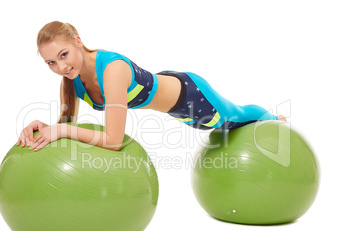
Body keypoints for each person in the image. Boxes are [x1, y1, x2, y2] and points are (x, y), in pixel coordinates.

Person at [17, 21, 286, 152]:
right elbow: (65, 127)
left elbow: (113, 141)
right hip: (167, 99)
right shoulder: (72, 83)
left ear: (78, 41)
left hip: (190, 95)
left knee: (233, 118)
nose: (60, 67)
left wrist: (61, 129)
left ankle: (273, 118)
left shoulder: (111, 70)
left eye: (63, 55)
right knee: (225, 123)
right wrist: (47, 127)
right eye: (51, 62)